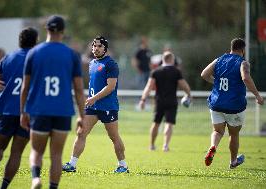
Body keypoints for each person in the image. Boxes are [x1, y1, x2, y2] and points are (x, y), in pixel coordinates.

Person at [20, 15, 85, 189]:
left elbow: (25, 87)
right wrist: (82, 115)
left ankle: (35, 179)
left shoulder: (34, 53)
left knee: (36, 152)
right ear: (63, 32)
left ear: (47, 30)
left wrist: (23, 112)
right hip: (63, 111)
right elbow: (79, 89)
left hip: (39, 110)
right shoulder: (71, 55)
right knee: (56, 155)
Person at [62, 36, 129, 173]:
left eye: (99, 46)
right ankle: (72, 164)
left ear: (105, 48)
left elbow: (110, 87)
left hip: (108, 107)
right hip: (92, 107)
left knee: (114, 137)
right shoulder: (92, 63)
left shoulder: (111, 64)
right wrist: (92, 100)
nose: (96, 48)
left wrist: (94, 98)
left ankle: (123, 165)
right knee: (81, 133)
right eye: (94, 46)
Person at [0, 27, 38, 189]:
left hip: (7, 110)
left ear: (19, 41)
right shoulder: (37, 60)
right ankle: (3, 187)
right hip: (27, 113)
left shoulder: (7, 58)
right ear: (35, 41)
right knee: (16, 153)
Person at [201, 38, 264, 169]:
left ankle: (213, 147)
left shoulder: (219, 60)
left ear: (231, 48)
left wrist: (216, 83)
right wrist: (257, 95)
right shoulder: (243, 63)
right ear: (242, 50)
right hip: (234, 106)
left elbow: (204, 74)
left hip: (217, 103)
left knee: (217, 131)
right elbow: (245, 78)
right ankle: (233, 161)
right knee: (234, 134)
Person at [139, 51, 191, 152]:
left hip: (159, 101)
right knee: (169, 123)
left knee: (156, 123)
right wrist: (188, 94)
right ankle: (165, 146)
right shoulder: (176, 71)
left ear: (162, 59)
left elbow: (149, 87)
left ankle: (152, 145)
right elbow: (184, 85)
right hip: (172, 101)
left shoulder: (156, 71)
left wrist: (143, 99)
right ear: (172, 60)